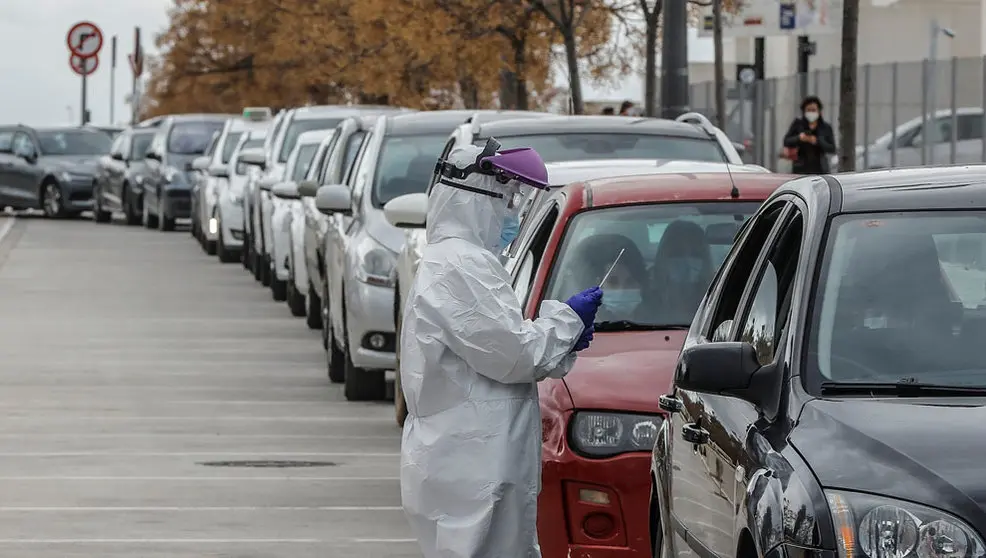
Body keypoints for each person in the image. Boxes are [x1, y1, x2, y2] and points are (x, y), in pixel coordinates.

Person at [399, 139, 604, 558]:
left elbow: (497, 346)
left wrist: (562, 337)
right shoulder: (461, 266)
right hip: (474, 461)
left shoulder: (456, 261)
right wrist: (567, 320)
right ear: (477, 200)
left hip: (467, 455)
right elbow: (515, 355)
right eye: (507, 200)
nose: (512, 214)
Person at [783, 95, 836, 174]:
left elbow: (832, 148)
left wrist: (817, 141)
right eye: (808, 110)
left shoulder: (825, 127)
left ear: (819, 111)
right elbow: (786, 141)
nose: (811, 113)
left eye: (814, 110)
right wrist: (799, 138)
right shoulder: (798, 124)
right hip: (800, 168)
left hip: (820, 168)